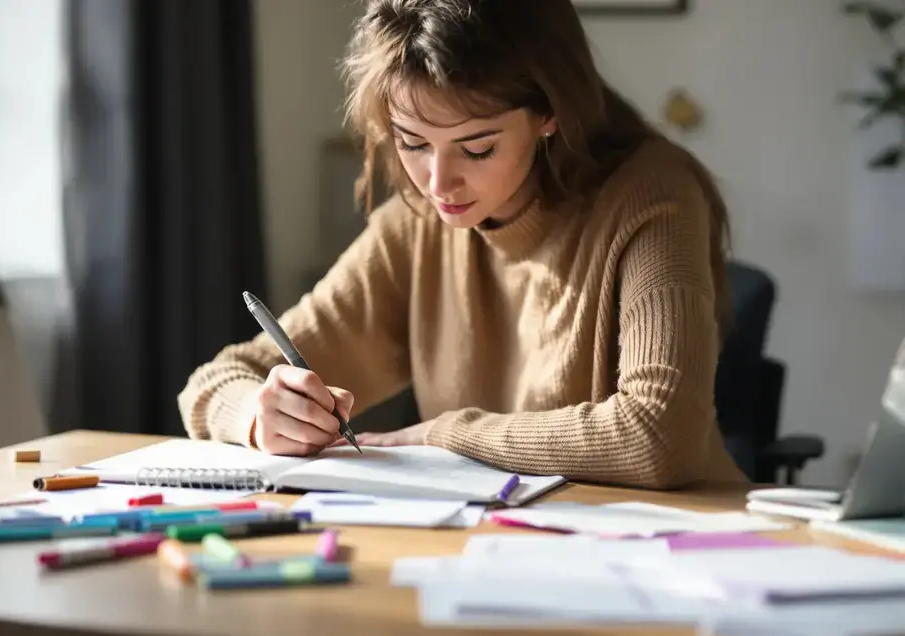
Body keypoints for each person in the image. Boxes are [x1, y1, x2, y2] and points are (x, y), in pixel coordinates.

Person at [176, 0, 747, 489]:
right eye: (412, 143)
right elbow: (215, 381)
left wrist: (443, 435)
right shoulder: (418, 224)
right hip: (492, 556)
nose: (438, 183)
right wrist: (260, 414)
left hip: (676, 554)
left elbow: (660, 435)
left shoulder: (652, 195)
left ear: (548, 113)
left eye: (477, 149)